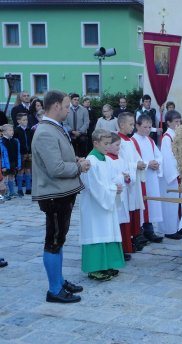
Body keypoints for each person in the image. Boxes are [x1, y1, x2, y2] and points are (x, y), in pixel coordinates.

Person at [32, 90, 91, 303]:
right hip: (53, 194)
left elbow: (59, 156)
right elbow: (56, 168)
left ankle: (59, 280)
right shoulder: (46, 131)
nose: (68, 110)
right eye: (66, 106)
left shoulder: (53, 128)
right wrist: (79, 166)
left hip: (60, 193)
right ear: (56, 106)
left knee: (59, 238)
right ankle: (54, 289)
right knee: (54, 241)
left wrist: (75, 158)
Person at [80, 129, 125, 281]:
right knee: (96, 233)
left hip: (107, 201)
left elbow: (115, 175)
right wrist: (113, 189)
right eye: (105, 144)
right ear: (95, 143)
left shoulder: (107, 160)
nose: (107, 147)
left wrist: (119, 182)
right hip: (94, 205)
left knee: (108, 231)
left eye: (109, 144)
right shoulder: (91, 161)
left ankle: (108, 264)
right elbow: (94, 187)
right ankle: (94, 268)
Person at [158, 110, 182, 239]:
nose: (179, 124)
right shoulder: (167, 138)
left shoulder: (177, 135)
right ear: (168, 123)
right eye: (176, 121)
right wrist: (176, 174)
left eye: (179, 121)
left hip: (179, 172)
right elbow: (168, 158)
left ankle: (181, 226)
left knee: (181, 202)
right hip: (172, 176)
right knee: (172, 204)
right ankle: (170, 230)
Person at [117, 112, 148, 253]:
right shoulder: (118, 141)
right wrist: (136, 165)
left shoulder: (130, 140)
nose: (132, 127)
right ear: (122, 125)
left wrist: (140, 163)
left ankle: (135, 237)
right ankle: (127, 241)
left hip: (134, 182)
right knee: (127, 211)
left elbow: (136, 157)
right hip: (127, 182)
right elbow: (121, 163)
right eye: (130, 124)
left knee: (135, 210)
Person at [131, 115, 164, 243]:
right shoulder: (132, 141)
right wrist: (147, 163)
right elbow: (132, 160)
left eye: (150, 127)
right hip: (141, 178)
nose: (147, 129)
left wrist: (156, 162)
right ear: (137, 126)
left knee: (150, 204)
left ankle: (150, 231)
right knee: (142, 204)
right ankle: (141, 232)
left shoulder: (150, 140)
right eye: (144, 127)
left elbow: (158, 155)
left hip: (151, 177)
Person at [106, 132, 132, 261]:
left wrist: (127, 177)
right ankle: (117, 250)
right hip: (114, 196)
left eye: (120, 145)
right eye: (117, 145)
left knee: (123, 221)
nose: (119, 148)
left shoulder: (120, 159)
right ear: (108, 146)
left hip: (123, 196)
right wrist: (122, 177)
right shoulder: (107, 160)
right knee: (115, 223)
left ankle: (125, 248)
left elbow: (126, 172)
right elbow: (109, 179)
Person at [63, 93, 90, 157]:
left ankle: (83, 160)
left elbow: (86, 123)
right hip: (70, 133)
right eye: (75, 99)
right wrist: (72, 131)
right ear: (71, 100)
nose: (76, 101)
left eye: (78, 100)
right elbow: (64, 123)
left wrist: (79, 132)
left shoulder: (84, 110)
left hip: (81, 134)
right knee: (71, 150)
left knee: (83, 145)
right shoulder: (66, 109)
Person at [14, 113, 33, 196]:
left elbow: (32, 141)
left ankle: (28, 188)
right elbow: (15, 143)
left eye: (26, 120)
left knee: (28, 170)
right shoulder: (16, 131)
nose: (26, 121)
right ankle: (19, 189)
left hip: (28, 153)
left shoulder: (29, 130)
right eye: (24, 120)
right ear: (18, 121)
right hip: (20, 154)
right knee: (21, 170)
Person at [0, 124, 21, 198]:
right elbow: (1, 156)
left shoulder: (15, 141)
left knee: (12, 177)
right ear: (4, 132)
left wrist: (18, 164)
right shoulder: (1, 142)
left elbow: (18, 153)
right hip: (6, 164)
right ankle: (5, 193)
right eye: (10, 130)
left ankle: (12, 192)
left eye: (12, 130)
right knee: (5, 179)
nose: (12, 132)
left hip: (13, 162)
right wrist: (3, 166)